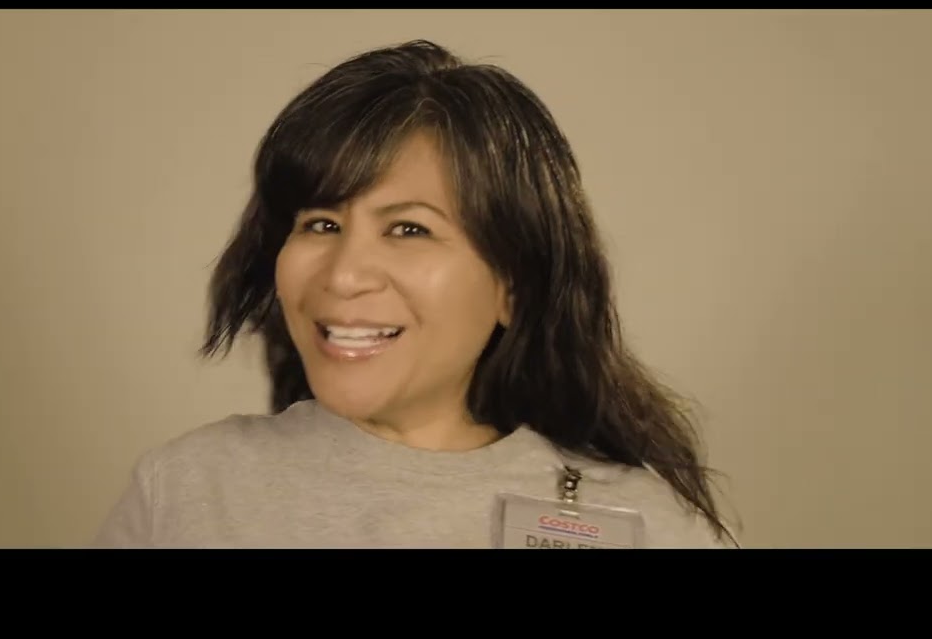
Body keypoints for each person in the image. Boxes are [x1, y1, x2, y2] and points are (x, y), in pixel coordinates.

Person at [93, 39, 739, 549]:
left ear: (514, 286)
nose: (343, 276)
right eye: (321, 224)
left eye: (409, 229)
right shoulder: (183, 491)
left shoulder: (650, 525)